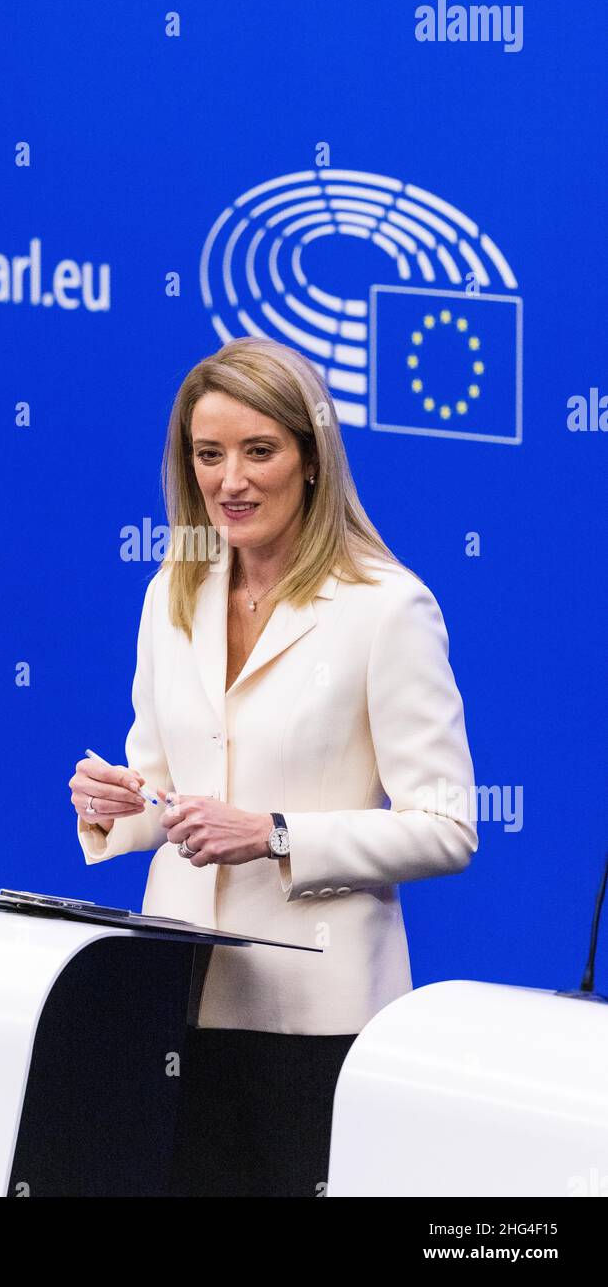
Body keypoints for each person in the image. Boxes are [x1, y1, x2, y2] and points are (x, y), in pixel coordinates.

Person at [69, 336, 478, 1196]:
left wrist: (276, 835)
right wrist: (115, 801)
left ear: (312, 459)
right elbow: (160, 780)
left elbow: (444, 827)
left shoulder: (386, 606)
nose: (230, 481)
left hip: (313, 1015)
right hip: (173, 996)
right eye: (208, 454)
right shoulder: (170, 591)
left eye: (259, 451)